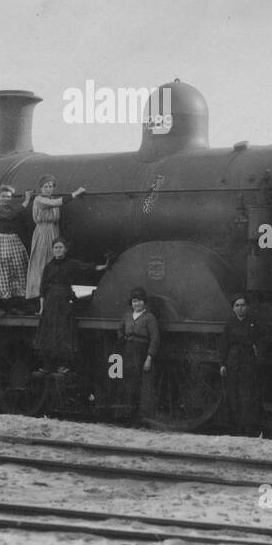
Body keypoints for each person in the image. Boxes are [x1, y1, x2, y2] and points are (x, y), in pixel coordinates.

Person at [34, 238, 108, 374]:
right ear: (52, 249)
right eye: (55, 247)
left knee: (63, 332)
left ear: (65, 249)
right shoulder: (48, 267)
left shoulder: (71, 264)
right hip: (50, 302)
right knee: (49, 333)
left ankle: (63, 364)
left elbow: (87, 268)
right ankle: (48, 365)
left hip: (65, 300)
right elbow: (43, 288)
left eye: (60, 247)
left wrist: (103, 266)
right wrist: (41, 308)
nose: (58, 250)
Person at [218, 295, 272, 436]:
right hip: (233, 362)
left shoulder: (255, 322)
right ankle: (236, 429)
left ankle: (249, 430)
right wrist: (222, 364)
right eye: (237, 305)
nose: (240, 308)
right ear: (233, 308)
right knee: (234, 396)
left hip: (249, 363)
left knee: (248, 396)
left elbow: (267, 336)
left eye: (242, 305)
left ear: (247, 307)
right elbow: (224, 345)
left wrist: (257, 348)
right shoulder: (229, 324)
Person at [25, 176, 86, 301]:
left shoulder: (51, 199)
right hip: (43, 233)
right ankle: (38, 295)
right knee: (42, 263)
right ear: (41, 188)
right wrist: (75, 193)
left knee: (55, 262)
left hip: (54, 231)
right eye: (45, 186)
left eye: (51, 186)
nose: (48, 189)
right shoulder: (39, 200)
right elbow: (56, 203)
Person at [0, 185, 33, 309]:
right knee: (2, 271)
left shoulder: (11, 209)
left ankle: (18, 302)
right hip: (0, 240)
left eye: (9, 197)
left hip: (13, 239)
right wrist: (26, 200)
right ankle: (5, 304)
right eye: (4, 196)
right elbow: (11, 215)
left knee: (18, 269)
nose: (6, 199)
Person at [116, 287, 160, 422]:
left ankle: (139, 416)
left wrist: (149, 357)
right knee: (127, 382)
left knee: (140, 384)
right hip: (128, 351)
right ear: (131, 303)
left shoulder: (149, 318)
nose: (137, 304)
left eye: (140, 301)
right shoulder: (127, 316)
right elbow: (120, 329)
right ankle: (126, 414)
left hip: (142, 351)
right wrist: (122, 338)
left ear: (144, 302)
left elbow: (155, 338)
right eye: (135, 301)